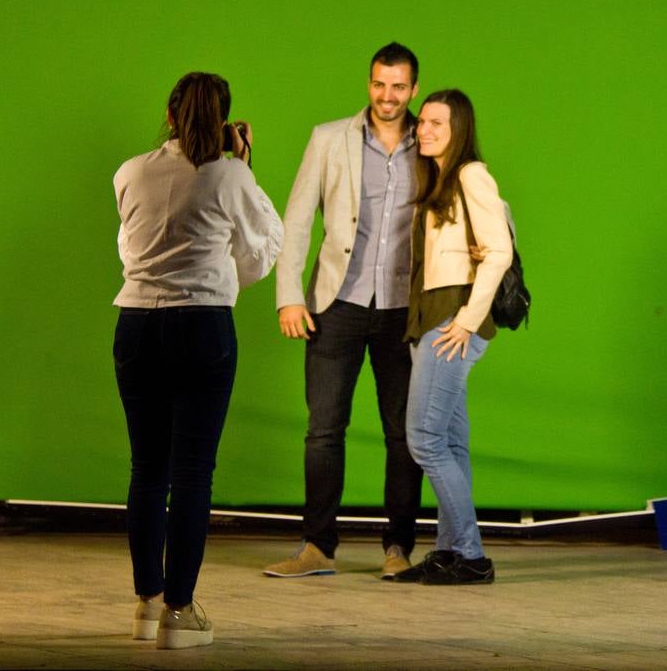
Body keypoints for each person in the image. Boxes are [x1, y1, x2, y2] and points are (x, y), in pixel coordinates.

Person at [112, 72, 282, 650]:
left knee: (146, 469)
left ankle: (146, 602)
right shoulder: (231, 174)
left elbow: (130, 245)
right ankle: (180, 613)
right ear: (226, 122)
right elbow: (261, 251)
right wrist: (246, 164)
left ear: (168, 111)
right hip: (202, 325)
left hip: (135, 323)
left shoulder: (129, 172)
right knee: (191, 474)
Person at [264, 42, 423, 580]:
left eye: (398, 86)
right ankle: (317, 546)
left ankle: (399, 548)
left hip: (406, 309)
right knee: (324, 429)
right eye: (380, 84)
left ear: (413, 90)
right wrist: (289, 294)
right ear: (369, 83)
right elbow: (298, 218)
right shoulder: (329, 138)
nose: (387, 96)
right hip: (337, 303)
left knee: (403, 433)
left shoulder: (435, 140)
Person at [395, 89, 512, 585]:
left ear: (459, 128)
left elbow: (499, 252)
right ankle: (449, 552)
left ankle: (471, 554)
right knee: (449, 440)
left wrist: (466, 319)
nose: (424, 130)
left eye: (437, 123)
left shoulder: (471, 175)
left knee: (423, 438)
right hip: (432, 318)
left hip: (452, 319)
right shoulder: (438, 179)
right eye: (422, 122)